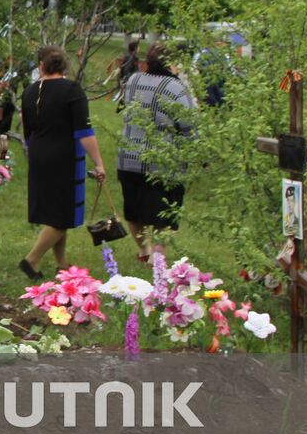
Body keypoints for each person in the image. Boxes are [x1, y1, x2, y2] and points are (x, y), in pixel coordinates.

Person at [18, 46, 107, 279]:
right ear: (64, 66)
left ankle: (61, 263)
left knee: (55, 210)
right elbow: (84, 131)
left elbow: (27, 130)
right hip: (63, 155)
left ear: (40, 66)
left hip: (38, 153)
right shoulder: (72, 90)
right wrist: (98, 163)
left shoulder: (29, 91)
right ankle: (32, 259)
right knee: (62, 214)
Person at [117, 43, 198, 260]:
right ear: (172, 63)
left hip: (130, 155)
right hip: (163, 160)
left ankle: (143, 251)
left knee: (133, 209)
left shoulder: (133, 79)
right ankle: (158, 257)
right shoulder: (175, 87)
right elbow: (187, 123)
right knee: (166, 213)